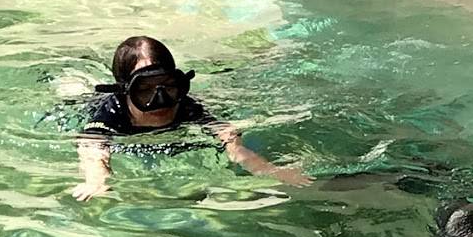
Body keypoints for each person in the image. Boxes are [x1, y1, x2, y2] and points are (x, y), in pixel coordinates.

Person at [71, 37, 311, 200]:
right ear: (125, 92)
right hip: (82, 104)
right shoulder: (111, 113)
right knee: (72, 90)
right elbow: (91, 145)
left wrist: (269, 170)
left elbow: (229, 138)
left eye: (169, 87)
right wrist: (96, 179)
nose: (161, 100)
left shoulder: (187, 107)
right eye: (145, 90)